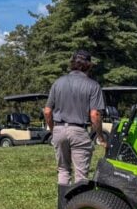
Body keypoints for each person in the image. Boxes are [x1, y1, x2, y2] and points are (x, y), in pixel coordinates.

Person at [43, 50, 105, 185]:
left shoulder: (58, 82)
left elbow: (47, 111)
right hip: (78, 130)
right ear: (89, 65)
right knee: (81, 175)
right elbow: (94, 115)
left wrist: (54, 130)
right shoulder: (93, 85)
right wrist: (100, 137)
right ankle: (77, 205)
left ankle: (63, 205)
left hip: (59, 129)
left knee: (63, 170)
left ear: (72, 63)